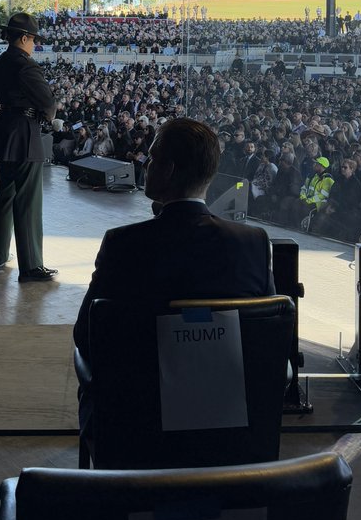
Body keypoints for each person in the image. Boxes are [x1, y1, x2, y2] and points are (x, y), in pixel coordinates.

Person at [73, 117, 276, 435]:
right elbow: (264, 342)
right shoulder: (253, 244)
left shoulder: (123, 244)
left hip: (136, 427)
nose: (146, 164)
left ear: (167, 170)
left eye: (152, 158)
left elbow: (85, 337)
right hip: (226, 427)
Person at [0, 12, 57, 282]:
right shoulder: (26, 65)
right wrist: (49, 115)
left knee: (6, 196)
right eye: (33, 39)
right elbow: (47, 102)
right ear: (24, 37)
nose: (34, 44)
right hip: (24, 134)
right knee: (28, 201)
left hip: (5, 131)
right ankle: (32, 266)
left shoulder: (0, 62)